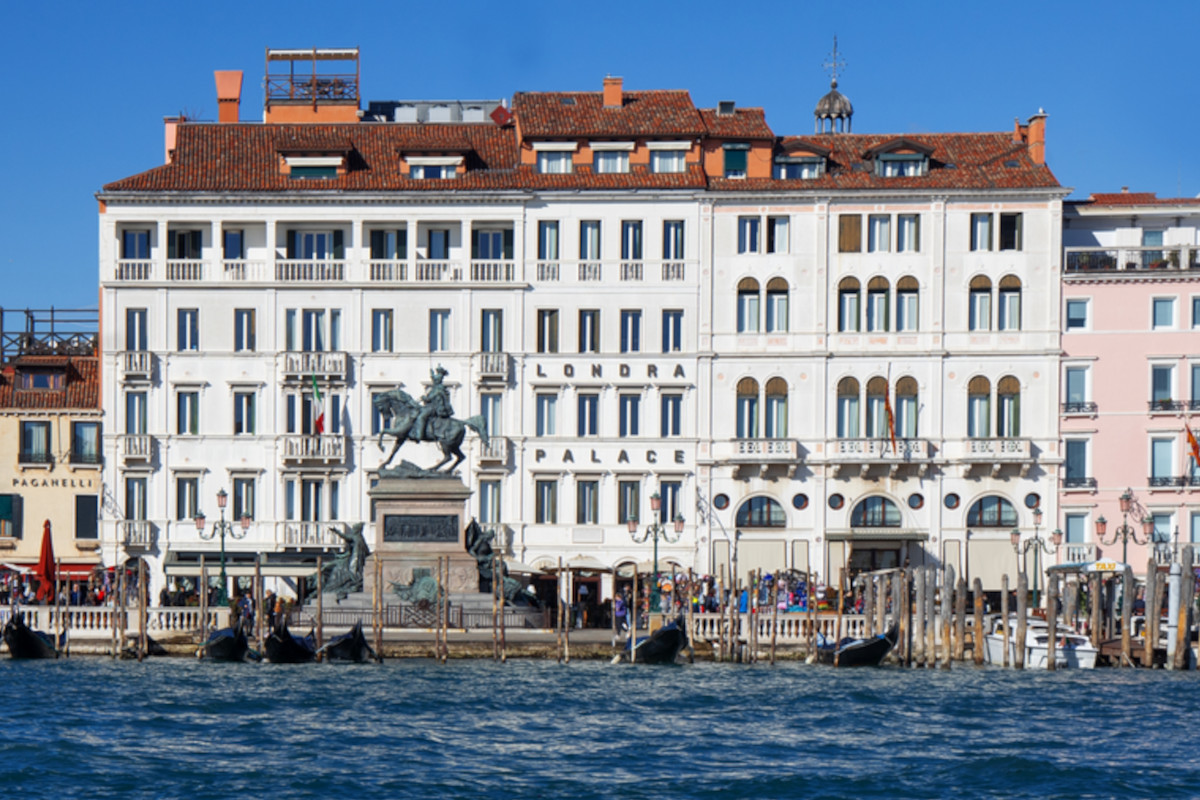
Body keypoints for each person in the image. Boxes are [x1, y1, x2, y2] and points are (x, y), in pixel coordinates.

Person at [412, 365, 453, 441]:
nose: (434, 380)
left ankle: (419, 435)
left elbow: (429, 398)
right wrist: (431, 373)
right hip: (431, 406)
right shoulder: (436, 387)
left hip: (434, 408)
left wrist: (424, 398)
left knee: (421, 417)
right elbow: (434, 378)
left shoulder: (438, 389)